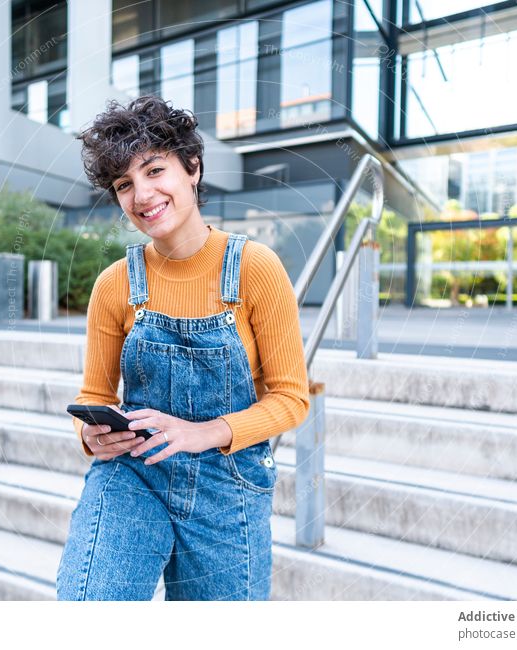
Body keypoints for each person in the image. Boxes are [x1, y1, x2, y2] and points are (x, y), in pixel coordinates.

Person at [55, 94, 310, 601]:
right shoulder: (114, 285)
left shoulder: (256, 268)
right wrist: (92, 437)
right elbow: (95, 395)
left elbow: (291, 398)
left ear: (192, 167)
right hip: (134, 475)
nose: (141, 194)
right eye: (124, 184)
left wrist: (203, 433)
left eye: (154, 170)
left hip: (227, 486)